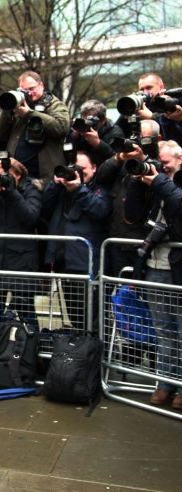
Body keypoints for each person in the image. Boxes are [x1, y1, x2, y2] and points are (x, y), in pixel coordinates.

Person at [123, 139, 182, 409]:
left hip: (177, 268)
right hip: (154, 267)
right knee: (163, 332)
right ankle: (164, 384)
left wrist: (160, 181)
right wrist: (138, 179)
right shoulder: (155, 184)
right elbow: (133, 216)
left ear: (180, 159)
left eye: (166, 163)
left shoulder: (171, 185)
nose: (161, 167)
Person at [42, 150, 112, 332]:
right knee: (75, 317)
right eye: (74, 168)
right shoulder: (61, 192)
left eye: (82, 168)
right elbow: (43, 207)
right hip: (64, 262)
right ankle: (79, 354)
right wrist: (55, 185)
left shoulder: (99, 190)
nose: (78, 172)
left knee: (93, 318)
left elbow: (100, 210)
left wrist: (79, 189)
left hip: (87, 265)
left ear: (94, 168)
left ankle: (95, 356)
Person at [0, 157, 42, 330]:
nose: (1, 178)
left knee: (25, 313)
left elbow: (31, 217)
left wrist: (12, 192)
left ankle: (30, 352)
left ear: (18, 175)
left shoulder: (31, 190)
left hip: (22, 259)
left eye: (5, 175)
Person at [95, 119, 159, 276]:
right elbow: (100, 177)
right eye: (134, 135)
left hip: (141, 240)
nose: (135, 141)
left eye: (141, 136)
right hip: (117, 237)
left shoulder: (157, 163)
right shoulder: (124, 162)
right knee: (119, 289)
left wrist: (143, 160)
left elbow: (159, 180)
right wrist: (118, 158)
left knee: (140, 291)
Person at [0, 70, 70, 186]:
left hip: (43, 179)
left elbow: (61, 128)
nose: (29, 93)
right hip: (17, 176)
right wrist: (7, 109)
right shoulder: (17, 107)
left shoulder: (54, 105)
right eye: (24, 90)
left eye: (31, 88)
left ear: (41, 85)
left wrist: (29, 114)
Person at [68, 99, 125, 166]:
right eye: (84, 119)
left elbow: (118, 159)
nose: (86, 123)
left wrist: (98, 144)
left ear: (103, 120)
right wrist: (73, 137)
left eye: (90, 120)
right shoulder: (80, 131)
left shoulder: (115, 132)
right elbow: (69, 157)